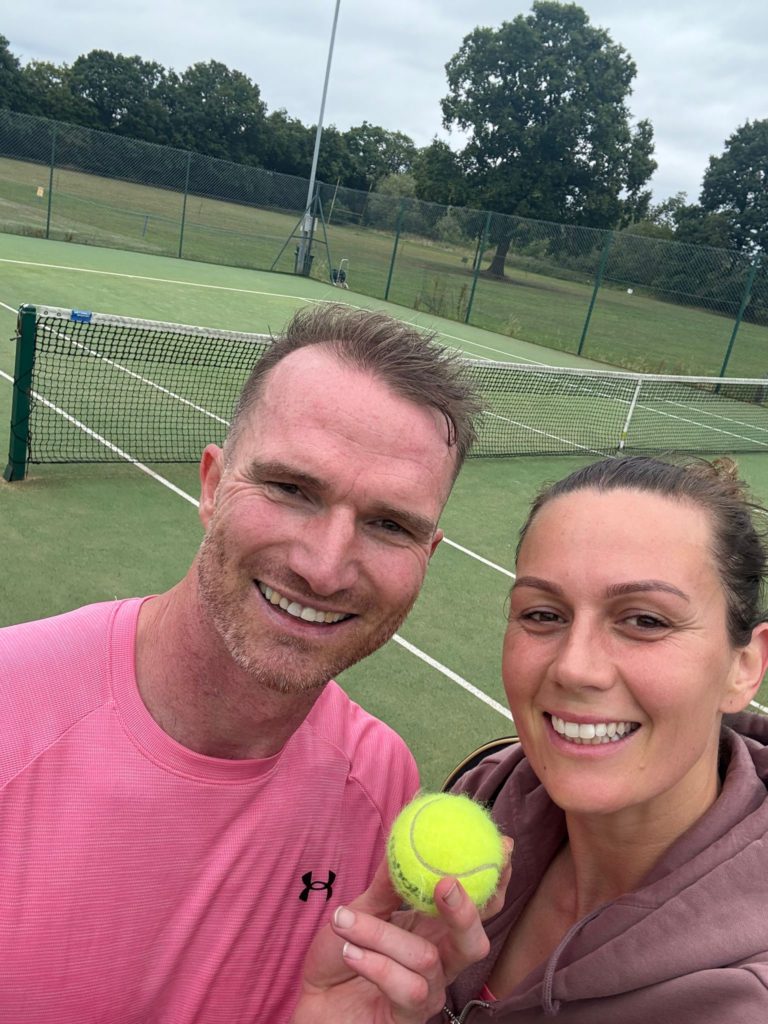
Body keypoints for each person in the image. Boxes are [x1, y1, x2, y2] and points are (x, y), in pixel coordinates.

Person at [0, 303, 486, 1024]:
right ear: (210, 485)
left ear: (429, 554)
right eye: (292, 490)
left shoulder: (382, 783)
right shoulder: (12, 708)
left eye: (389, 525)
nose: (325, 568)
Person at [302, 455, 768, 1022]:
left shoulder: (741, 1000)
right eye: (543, 614)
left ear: (745, 666)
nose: (575, 668)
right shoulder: (490, 789)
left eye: (645, 620)